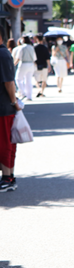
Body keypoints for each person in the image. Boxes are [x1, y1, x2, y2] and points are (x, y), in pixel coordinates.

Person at [0, 26, 21, 192]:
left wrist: (14, 102)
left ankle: (8, 177)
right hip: (4, 107)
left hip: (4, 107)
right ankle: (8, 177)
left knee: (5, 143)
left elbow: (9, 82)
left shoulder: (3, 54)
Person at [12, 36, 36, 101]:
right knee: (29, 80)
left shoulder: (22, 47)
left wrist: (13, 64)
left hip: (23, 64)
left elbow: (18, 58)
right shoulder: (31, 47)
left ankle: (23, 93)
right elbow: (34, 58)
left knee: (18, 79)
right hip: (31, 64)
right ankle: (29, 96)